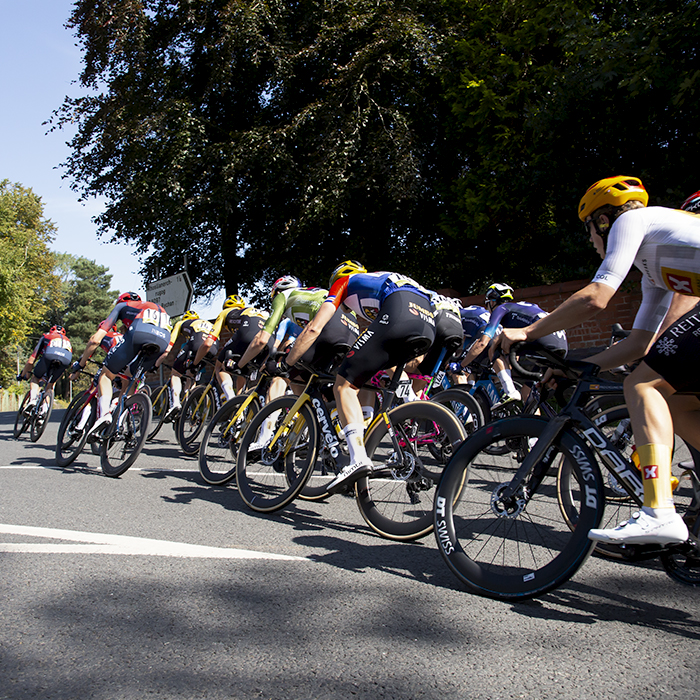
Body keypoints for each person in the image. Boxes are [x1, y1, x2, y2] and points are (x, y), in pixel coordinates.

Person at [494, 175, 700, 545]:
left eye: (589, 230)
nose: (591, 240)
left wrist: (528, 332)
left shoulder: (632, 221)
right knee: (677, 401)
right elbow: (639, 344)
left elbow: (596, 297)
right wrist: (579, 368)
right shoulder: (655, 268)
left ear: (603, 221)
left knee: (642, 384)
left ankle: (658, 512)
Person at [283, 261, 436, 491]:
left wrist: (288, 362)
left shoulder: (345, 283)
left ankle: (357, 458)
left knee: (343, 385)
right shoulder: (373, 284)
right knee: (376, 369)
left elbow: (315, 327)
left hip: (399, 310)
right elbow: (371, 336)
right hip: (427, 321)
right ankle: (410, 409)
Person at [70, 292, 171, 435]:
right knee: (130, 377)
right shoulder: (148, 308)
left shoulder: (122, 306)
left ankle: (104, 415)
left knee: (106, 375)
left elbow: (95, 340)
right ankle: (120, 421)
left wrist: (80, 364)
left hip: (140, 333)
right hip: (164, 340)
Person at [464, 283, 568, 401]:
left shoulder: (501, 309)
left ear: (492, 302)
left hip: (544, 341)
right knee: (528, 393)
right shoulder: (519, 309)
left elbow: (483, 342)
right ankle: (535, 418)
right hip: (561, 344)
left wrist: (461, 364)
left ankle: (510, 392)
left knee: (493, 347)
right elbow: (514, 355)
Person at [209, 294, 273, 400]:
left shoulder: (226, 312)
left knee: (220, 366)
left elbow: (211, 338)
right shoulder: (251, 311)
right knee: (243, 370)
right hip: (269, 339)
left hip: (247, 333)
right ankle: (239, 404)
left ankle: (230, 399)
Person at [158, 310, 219, 419]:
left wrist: (157, 363)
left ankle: (175, 404)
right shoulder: (206, 323)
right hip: (213, 347)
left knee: (176, 373)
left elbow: (170, 345)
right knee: (191, 375)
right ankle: (190, 405)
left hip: (197, 343)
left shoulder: (181, 323)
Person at [19, 325, 73, 409]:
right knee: (50, 385)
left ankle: (33, 400)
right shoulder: (67, 340)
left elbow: (31, 360)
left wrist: (23, 375)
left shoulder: (46, 336)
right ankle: (45, 409)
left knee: (35, 379)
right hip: (65, 360)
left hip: (49, 356)